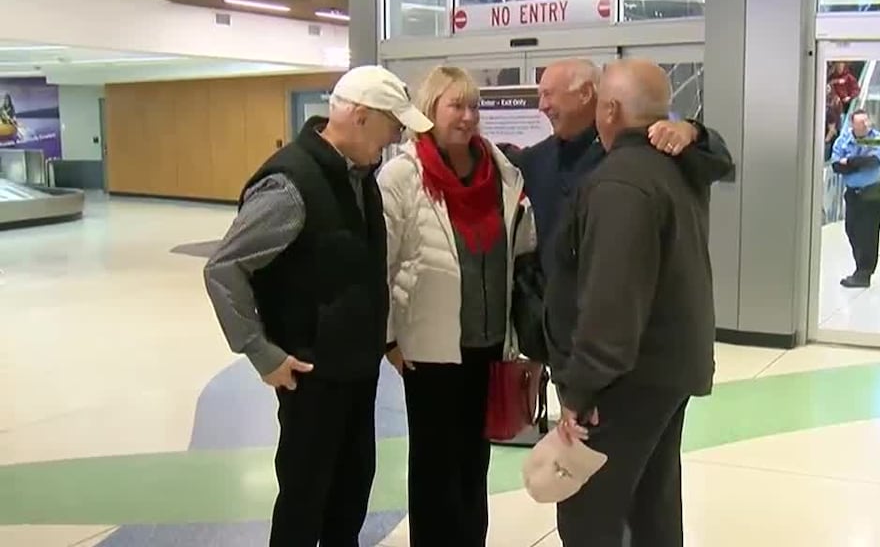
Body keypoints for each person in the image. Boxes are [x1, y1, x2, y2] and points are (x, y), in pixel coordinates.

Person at [202, 65, 432, 546]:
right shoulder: (290, 185)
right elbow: (225, 269)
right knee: (306, 502)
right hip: (310, 374)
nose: (393, 139)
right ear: (362, 116)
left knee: (348, 498)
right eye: (392, 126)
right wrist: (262, 353)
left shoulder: (359, 177)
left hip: (355, 372)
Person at [544, 58, 724, 547]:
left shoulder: (619, 183)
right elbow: (718, 156)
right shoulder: (677, 166)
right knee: (651, 506)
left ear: (610, 110)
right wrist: (693, 131)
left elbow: (611, 303)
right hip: (666, 372)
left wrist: (580, 392)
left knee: (590, 516)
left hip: (624, 383)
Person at [375, 65, 536, 547]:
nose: (468, 117)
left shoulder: (500, 170)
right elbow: (378, 263)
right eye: (456, 106)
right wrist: (389, 340)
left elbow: (521, 244)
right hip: (430, 351)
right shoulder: (403, 174)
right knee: (434, 467)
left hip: (487, 346)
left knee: (473, 463)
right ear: (429, 112)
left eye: (474, 107)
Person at [505, 58, 732, 280]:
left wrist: (692, 130)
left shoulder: (643, 149)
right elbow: (497, 159)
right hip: (559, 310)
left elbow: (717, 160)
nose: (541, 106)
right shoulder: (540, 158)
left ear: (585, 94)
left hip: (623, 299)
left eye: (548, 94)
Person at [831, 109, 880, 288]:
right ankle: (859, 267)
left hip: (871, 194)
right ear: (853, 124)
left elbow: (872, 162)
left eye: (866, 123)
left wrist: (851, 162)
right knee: (852, 230)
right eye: (860, 123)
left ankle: (864, 273)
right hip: (852, 194)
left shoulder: (876, 139)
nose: (865, 126)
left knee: (868, 235)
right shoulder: (844, 140)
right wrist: (854, 163)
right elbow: (836, 165)